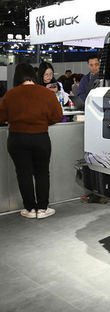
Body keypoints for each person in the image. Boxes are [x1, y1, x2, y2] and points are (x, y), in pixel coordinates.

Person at [0, 63, 63, 219]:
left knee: (23, 174)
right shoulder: (46, 93)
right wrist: (42, 122)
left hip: (17, 138)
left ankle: (30, 209)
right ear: (34, 76)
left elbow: (2, 117)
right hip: (40, 137)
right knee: (42, 173)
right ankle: (42, 209)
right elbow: (57, 115)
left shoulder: (10, 95)